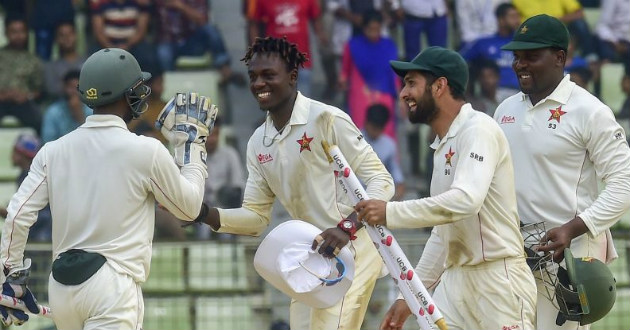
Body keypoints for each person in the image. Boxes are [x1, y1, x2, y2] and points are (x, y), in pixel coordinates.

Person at [0, 48, 217, 329]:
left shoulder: (52, 151)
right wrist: (192, 150)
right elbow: (188, 208)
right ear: (128, 95)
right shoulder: (146, 150)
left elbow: (17, 214)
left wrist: (11, 276)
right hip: (112, 287)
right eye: (138, 87)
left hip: (62, 287)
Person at [195, 36, 394, 330]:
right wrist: (202, 214)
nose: (258, 84)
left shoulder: (327, 119)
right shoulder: (257, 143)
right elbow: (255, 218)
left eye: (268, 75)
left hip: (355, 250)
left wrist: (348, 226)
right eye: (253, 77)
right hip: (310, 255)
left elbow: (382, 181)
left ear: (292, 77)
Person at [354, 46, 537, 330]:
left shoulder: (478, 130)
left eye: (412, 83)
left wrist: (390, 212)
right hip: (455, 282)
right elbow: (443, 236)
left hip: (497, 279)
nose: (403, 94)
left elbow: (466, 201)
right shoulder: (442, 145)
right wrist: (411, 296)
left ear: (439, 86)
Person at [496, 14, 630, 329]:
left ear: (559, 58)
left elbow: (624, 185)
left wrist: (571, 229)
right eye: (517, 57)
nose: (520, 64)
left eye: (531, 56)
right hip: (516, 254)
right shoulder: (504, 110)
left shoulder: (590, 111)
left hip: (568, 258)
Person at [153, 0, 245, 87]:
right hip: (168, 42)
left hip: (192, 40)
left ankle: (225, 70)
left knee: (210, 30)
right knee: (163, 54)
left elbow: (203, 19)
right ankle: (168, 84)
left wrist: (181, 6)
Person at [339, 9, 399, 140]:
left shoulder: (389, 46)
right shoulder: (352, 45)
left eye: (377, 29)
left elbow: (394, 75)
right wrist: (342, 81)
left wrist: (401, 97)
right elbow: (344, 72)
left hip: (384, 95)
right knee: (359, 135)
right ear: (364, 28)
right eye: (370, 29)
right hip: (360, 95)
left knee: (386, 134)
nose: (373, 33)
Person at [247, 0, 328, 97]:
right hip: (275, 60)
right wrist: (256, 49)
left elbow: (316, 18)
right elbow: (253, 23)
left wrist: (321, 35)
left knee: (302, 101)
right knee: (277, 100)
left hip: (301, 58)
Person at [460, 2, 521, 102]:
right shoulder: (483, 43)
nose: (517, 20)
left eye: (517, 16)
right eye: (512, 16)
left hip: (520, 93)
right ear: (501, 20)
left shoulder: (522, 43)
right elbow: (459, 60)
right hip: (492, 95)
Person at [0, 16, 44, 133]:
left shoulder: (33, 60)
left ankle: (39, 150)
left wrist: (26, 96)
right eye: (14, 31)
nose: (18, 36)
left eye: (21, 31)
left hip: (22, 103)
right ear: (6, 33)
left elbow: (38, 90)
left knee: (38, 119)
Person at [363, 104, 405, 201]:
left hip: (377, 196)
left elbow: (396, 172)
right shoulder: (354, 140)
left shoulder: (389, 145)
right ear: (366, 123)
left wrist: (399, 187)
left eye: (379, 128)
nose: (375, 132)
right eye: (373, 127)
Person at [41, 70, 93, 143]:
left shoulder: (92, 109)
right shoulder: (53, 111)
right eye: (71, 87)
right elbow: (47, 140)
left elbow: (94, 139)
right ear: (64, 88)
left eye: (78, 88)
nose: (74, 92)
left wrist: (79, 115)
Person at [43, 22, 86, 101]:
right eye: (62, 35)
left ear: (76, 36)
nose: (67, 38)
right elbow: (51, 90)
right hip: (61, 106)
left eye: (70, 34)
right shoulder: (50, 67)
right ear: (56, 39)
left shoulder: (88, 63)